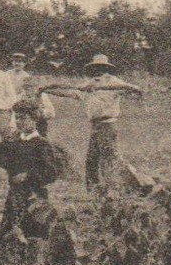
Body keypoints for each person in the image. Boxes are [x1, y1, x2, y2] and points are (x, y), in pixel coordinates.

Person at [45, 54, 144, 191]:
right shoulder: (87, 84)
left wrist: (128, 88)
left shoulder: (112, 82)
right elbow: (70, 92)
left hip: (108, 125)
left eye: (101, 67)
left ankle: (122, 187)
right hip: (95, 126)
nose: (98, 70)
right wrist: (48, 90)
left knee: (109, 158)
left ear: (106, 68)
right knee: (92, 160)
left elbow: (133, 89)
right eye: (96, 67)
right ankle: (94, 191)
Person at [0, 100, 67, 241]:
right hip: (14, 195)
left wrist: (28, 175)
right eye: (17, 118)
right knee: (8, 234)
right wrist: (4, 144)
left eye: (23, 118)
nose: (19, 122)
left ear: (34, 119)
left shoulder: (42, 144)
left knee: (34, 235)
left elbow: (51, 173)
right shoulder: (13, 142)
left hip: (35, 196)